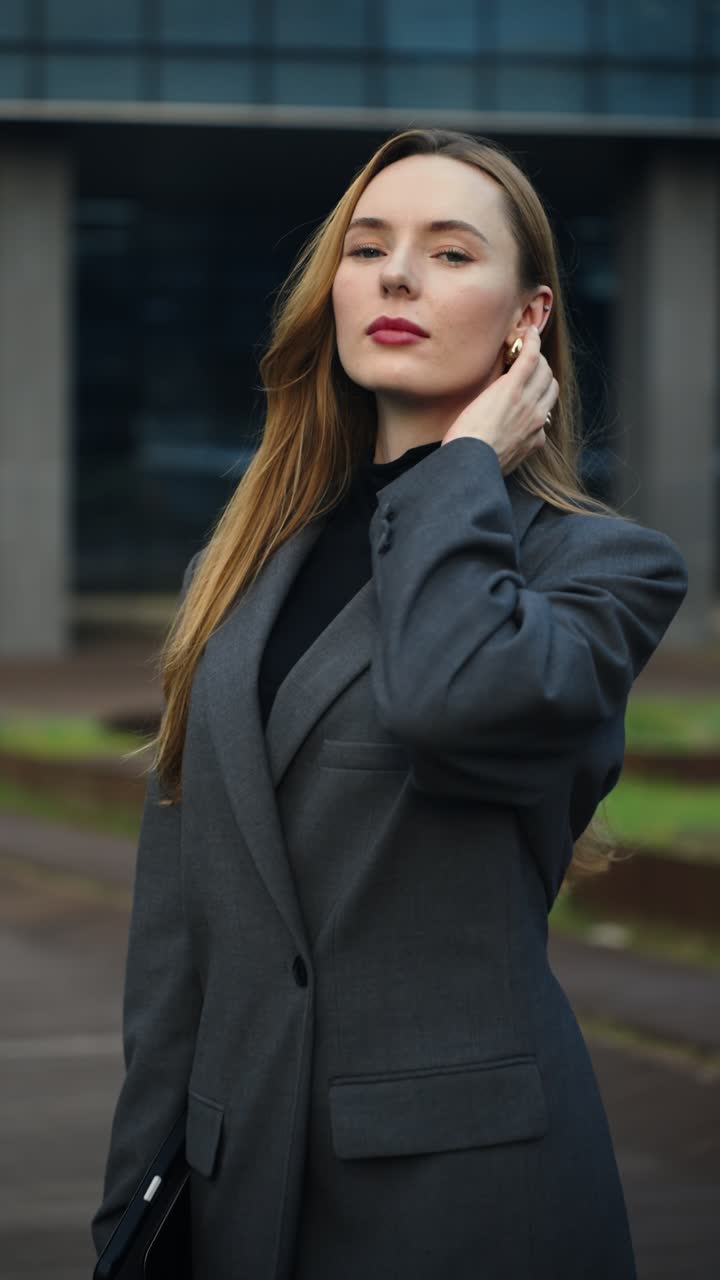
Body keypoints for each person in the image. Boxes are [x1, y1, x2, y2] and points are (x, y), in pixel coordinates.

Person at [91, 128, 688, 1279]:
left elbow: (446, 699)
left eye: (450, 252)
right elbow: (178, 923)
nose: (397, 276)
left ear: (529, 317)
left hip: (466, 1198)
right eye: (367, 248)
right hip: (236, 1189)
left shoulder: (605, 569)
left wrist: (460, 469)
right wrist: (131, 1210)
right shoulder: (238, 570)